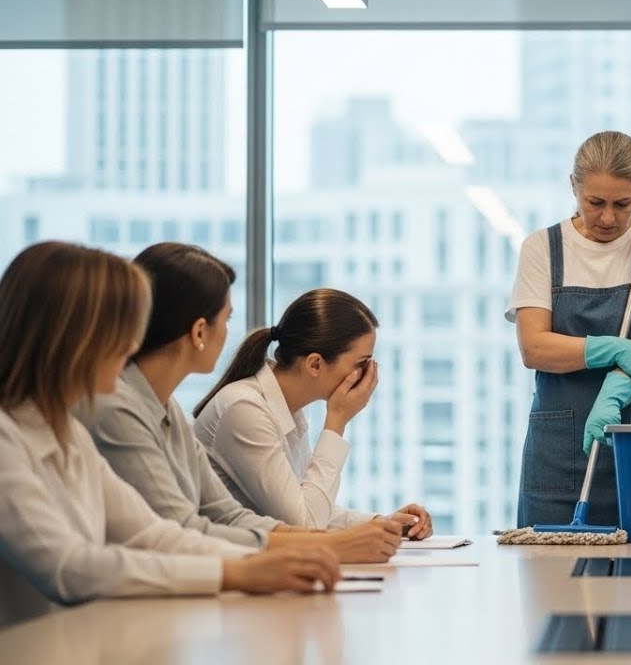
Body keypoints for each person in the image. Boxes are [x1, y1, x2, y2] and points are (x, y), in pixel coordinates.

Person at [0, 241, 339, 628]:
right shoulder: (9, 438)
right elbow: (69, 567)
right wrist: (238, 572)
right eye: (121, 330)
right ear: (73, 339)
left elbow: (152, 534)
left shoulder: (69, 434)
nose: (132, 344)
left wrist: (260, 562)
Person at [78, 243, 403, 562]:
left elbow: (228, 515)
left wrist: (368, 530)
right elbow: (182, 529)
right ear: (200, 332)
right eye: (227, 319)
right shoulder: (129, 407)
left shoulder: (168, 410)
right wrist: (330, 545)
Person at [507, 130, 631, 527]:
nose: (609, 217)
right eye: (595, 202)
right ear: (573, 186)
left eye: (623, 204)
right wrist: (613, 349)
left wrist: (614, 391)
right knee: (551, 581)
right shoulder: (541, 248)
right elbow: (534, 347)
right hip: (560, 451)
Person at [193, 288, 431, 535]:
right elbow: (305, 524)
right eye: (361, 364)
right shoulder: (244, 409)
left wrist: (385, 523)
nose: (368, 374)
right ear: (315, 364)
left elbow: (310, 505)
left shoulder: (287, 409)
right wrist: (336, 421)